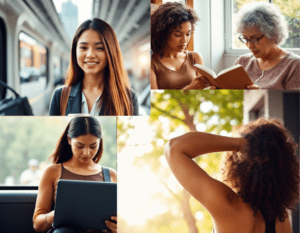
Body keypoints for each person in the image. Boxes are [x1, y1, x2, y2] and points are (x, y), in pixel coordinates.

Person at [165, 118, 299, 233]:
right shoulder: (281, 220)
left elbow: (174, 148)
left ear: (239, 164)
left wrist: (241, 143)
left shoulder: (228, 204)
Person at [33, 117, 117, 233]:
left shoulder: (111, 175)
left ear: (100, 142)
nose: (87, 153)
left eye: (93, 146)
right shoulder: (52, 171)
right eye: (80, 146)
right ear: (69, 140)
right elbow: (38, 224)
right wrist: (56, 214)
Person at [49, 18, 139, 116]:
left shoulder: (129, 98)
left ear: (111, 52)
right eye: (83, 47)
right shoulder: (60, 96)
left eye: (99, 48)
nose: (90, 54)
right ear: (75, 51)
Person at [234, 2, 300, 89]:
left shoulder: (294, 65)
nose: (249, 45)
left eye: (255, 39)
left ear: (273, 35)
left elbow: (293, 101)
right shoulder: (242, 62)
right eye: (245, 39)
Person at [151, 2, 211, 90]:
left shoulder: (195, 57)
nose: (184, 41)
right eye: (177, 35)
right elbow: (154, 100)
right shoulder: (153, 63)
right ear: (163, 33)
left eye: (188, 34)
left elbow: (203, 92)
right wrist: (188, 89)